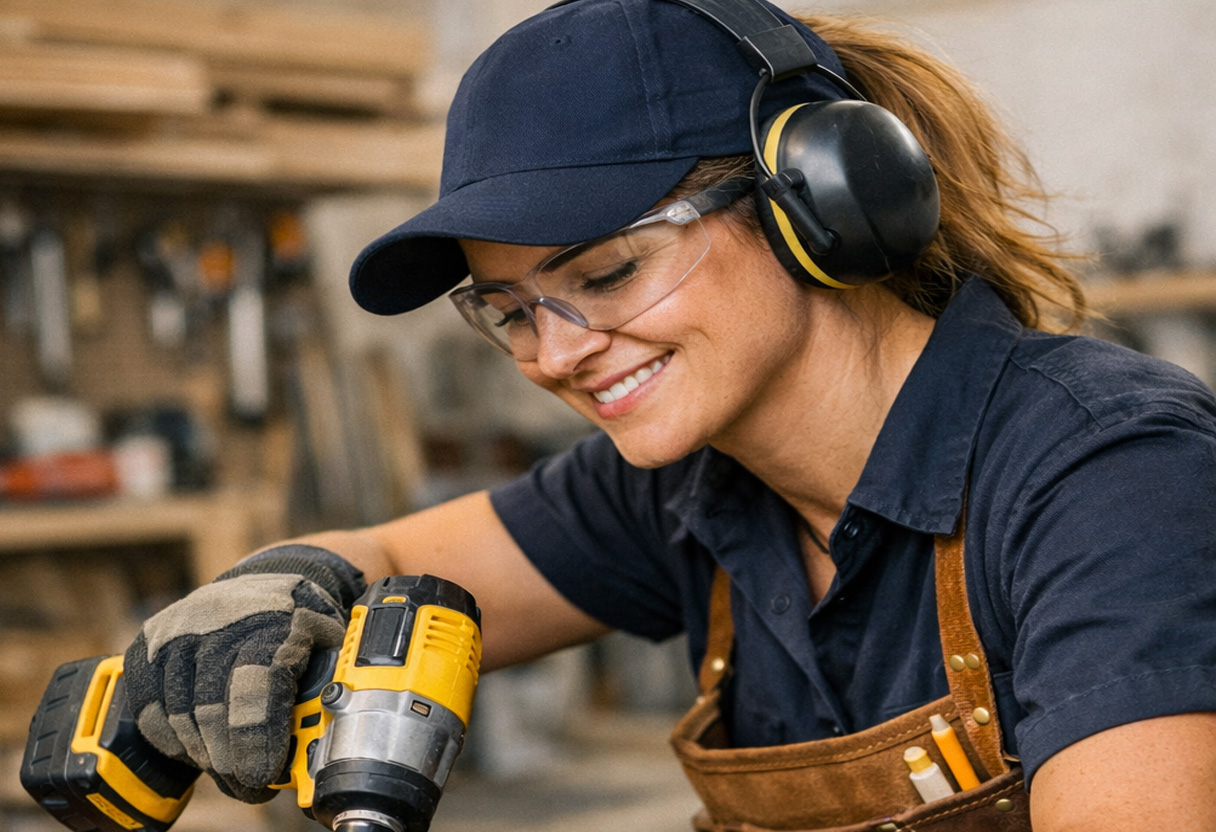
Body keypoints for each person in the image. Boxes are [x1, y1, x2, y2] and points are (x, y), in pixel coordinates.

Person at [121, 1, 1216, 830]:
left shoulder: (1112, 478)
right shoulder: (687, 485)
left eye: (606, 272)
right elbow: (389, 564)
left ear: (821, 205)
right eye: (505, 311)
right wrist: (268, 591)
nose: (553, 355)